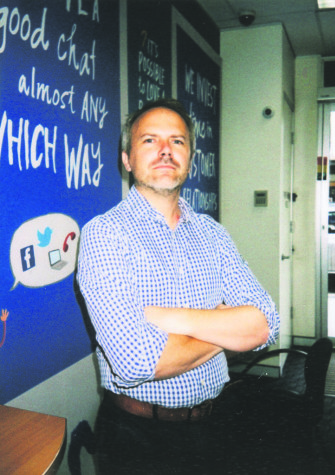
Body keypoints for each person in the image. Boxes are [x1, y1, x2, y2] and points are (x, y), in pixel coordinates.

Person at [77, 98, 280, 474]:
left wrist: (166, 318)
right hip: (137, 437)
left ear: (190, 158)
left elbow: (266, 323)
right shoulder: (104, 234)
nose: (166, 151)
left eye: (178, 141)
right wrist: (228, 327)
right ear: (127, 159)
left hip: (216, 422)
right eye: (150, 141)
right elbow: (135, 362)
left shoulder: (213, 234)